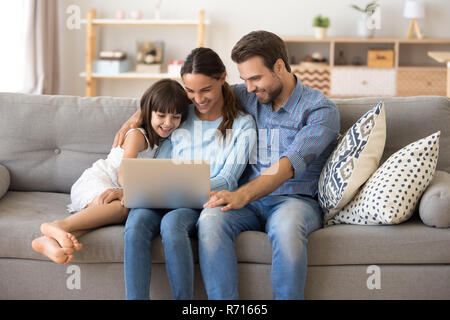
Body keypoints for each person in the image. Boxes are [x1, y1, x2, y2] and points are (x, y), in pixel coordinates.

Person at [115, 31, 340, 300]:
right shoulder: (250, 94)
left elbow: (288, 165)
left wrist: (241, 194)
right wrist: (138, 116)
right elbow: (189, 93)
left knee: (287, 229)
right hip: (244, 202)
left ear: (279, 67)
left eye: (255, 78)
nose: (249, 88)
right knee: (210, 220)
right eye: (244, 80)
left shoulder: (320, 110)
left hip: (292, 199)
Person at [120, 47, 257, 300]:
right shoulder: (181, 114)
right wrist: (134, 186)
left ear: (222, 78)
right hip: (162, 193)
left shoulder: (242, 124)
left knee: (172, 225)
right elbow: (162, 160)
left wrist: (181, 187)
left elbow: (228, 179)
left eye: (205, 90)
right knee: (136, 222)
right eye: (190, 91)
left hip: (200, 200)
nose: (198, 98)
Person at [31, 79, 190, 264]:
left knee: (112, 215)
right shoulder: (138, 136)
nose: (168, 123)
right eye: (161, 115)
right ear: (148, 112)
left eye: (176, 117)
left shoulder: (164, 140)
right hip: (98, 180)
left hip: (115, 186)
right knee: (123, 208)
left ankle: (50, 240)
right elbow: (124, 174)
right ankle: (58, 225)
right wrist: (130, 192)